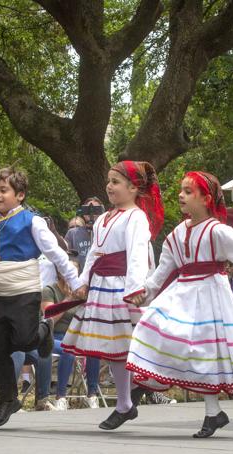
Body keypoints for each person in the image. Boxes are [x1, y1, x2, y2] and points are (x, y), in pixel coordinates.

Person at [127, 171, 233, 438]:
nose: (181, 195)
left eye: (188, 191)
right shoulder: (177, 234)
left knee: (204, 354)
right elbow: (161, 272)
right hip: (182, 294)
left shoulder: (218, 231)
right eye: (181, 190)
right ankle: (146, 386)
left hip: (211, 295)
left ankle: (212, 412)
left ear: (206, 199)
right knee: (150, 324)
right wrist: (143, 293)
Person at [0, 167, 84, 428]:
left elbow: (56, 254)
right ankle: (7, 400)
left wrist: (75, 283)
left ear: (19, 195)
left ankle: (45, 329)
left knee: (25, 339)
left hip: (25, 291)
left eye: (3, 190)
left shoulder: (32, 221)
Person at [62, 160, 162, 431]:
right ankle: (125, 402)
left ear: (133, 187)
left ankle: (135, 392)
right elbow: (94, 253)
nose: (109, 186)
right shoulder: (105, 218)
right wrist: (83, 282)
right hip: (102, 286)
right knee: (113, 349)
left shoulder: (136, 217)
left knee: (130, 346)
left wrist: (135, 288)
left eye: (116, 182)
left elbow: (138, 254)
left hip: (122, 287)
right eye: (108, 181)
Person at [40, 258, 101, 411]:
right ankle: (61, 397)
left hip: (74, 336)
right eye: (69, 271)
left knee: (93, 349)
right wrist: (69, 300)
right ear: (60, 273)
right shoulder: (49, 290)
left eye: (75, 272)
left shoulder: (80, 291)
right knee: (68, 349)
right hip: (52, 337)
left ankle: (92, 395)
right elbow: (49, 320)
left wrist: (83, 299)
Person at [65, 197, 104, 269]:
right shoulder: (72, 233)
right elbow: (68, 255)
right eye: (88, 209)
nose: (92, 212)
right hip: (80, 276)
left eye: (96, 209)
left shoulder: (106, 232)